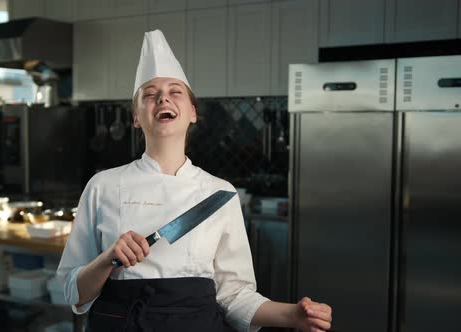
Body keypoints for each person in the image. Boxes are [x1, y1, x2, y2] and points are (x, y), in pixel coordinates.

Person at [57, 30, 332, 332]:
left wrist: (292, 316)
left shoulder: (219, 193)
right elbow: (72, 292)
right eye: (149, 94)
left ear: (192, 113)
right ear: (136, 116)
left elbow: (234, 295)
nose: (163, 97)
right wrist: (107, 259)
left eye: (176, 91)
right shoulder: (102, 186)